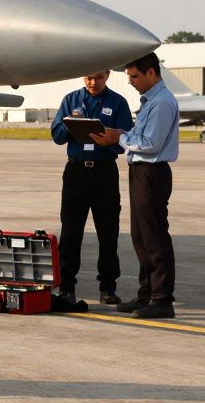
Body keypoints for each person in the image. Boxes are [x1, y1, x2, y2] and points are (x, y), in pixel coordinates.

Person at [91, 51, 179, 319]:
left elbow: (150, 144)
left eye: (134, 76)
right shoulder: (151, 100)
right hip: (141, 172)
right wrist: (123, 135)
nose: (130, 82)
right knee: (141, 236)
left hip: (151, 172)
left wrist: (118, 139)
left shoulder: (161, 103)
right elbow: (140, 136)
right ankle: (147, 294)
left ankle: (162, 299)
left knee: (154, 237)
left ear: (151, 72)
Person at [49, 71, 134, 305]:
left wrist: (111, 139)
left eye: (98, 77)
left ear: (107, 75)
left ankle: (108, 287)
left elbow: (127, 138)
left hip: (104, 172)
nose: (92, 82)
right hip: (76, 172)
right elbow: (56, 136)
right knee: (71, 232)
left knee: (108, 232)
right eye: (88, 77)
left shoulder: (117, 102)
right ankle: (66, 287)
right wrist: (71, 123)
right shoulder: (70, 100)